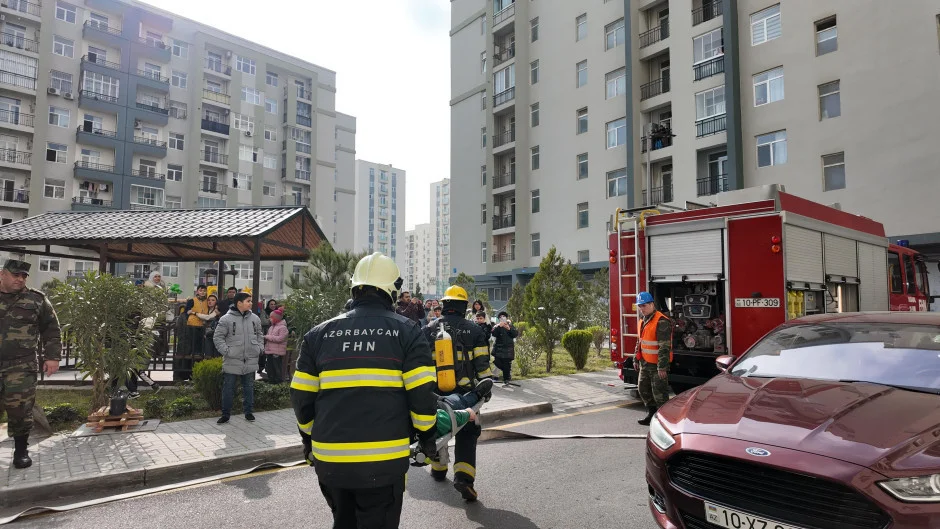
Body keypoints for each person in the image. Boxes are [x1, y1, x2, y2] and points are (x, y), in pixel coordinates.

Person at [291, 252, 438, 529]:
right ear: (392, 290)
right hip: (382, 463)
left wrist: (309, 440)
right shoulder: (407, 331)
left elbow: (301, 397)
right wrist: (428, 435)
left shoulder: (319, 334)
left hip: (330, 461)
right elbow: (421, 395)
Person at [422, 285, 492, 502]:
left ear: (444, 305)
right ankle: (463, 477)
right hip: (466, 393)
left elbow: (421, 365)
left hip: (435, 394)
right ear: (463, 306)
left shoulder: (428, 329)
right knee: (468, 430)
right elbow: (482, 366)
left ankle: (438, 468)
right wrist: (485, 388)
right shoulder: (474, 330)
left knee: (437, 428)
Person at [0, 259, 61, 469]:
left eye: (23, 276)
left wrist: (52, 357)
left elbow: (51, 329)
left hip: (21, 365)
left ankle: (21, 451)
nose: (20, 279)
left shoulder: (36, 299)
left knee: (21, 409)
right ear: (2, 274)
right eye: (15, 275)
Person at [213, 292, 263, 424]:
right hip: (232, 358)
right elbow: (218, 337)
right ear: (239, 303)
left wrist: (259, 348)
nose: (251, 303)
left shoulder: (255, 318)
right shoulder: (226, 319)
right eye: (248, 301)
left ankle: (249, 412)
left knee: (249, 387)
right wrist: (227, 351)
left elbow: (260, 335)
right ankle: (226, 414)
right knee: (228, 388)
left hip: (250, 358)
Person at [633, 291, 673, 426]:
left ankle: (665, 421)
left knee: (660, 394)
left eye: (644, 306)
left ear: (651, 304)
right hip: (644, 362)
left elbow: (664, 347)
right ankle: (651, 414)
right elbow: (640, 341)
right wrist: (635, 359)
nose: (642, 309)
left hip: (657, 365)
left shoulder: (661, 321)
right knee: (643, 389)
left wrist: (662, 367)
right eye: (640, 306)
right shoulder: (642, 320)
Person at [491, 311, 518, 385]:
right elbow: (493, 333)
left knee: (506, 364)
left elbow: (515, 334)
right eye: (500, 317)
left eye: (504, 316)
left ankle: (506, 379)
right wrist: (499, 326)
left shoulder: (510, 326)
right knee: (497, 362)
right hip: (499, 348)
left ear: (506, 318)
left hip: (508, 349)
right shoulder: (497, 326)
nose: (502, 318)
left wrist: (509, 328)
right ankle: (507, 372)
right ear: (499, 319)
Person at [263, 308, 288, 383]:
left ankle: (278, 382)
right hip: (270, 351)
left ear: (276, 318)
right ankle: (271, 381)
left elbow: (280, 339)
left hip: (277, 353)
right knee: (270, 368)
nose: (269, 319)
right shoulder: (271, 327)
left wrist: (267, 337)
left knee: (277, 368)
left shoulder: (283, 327)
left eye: (271, 317)